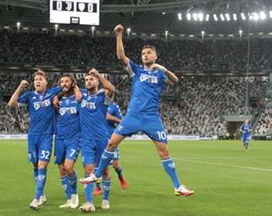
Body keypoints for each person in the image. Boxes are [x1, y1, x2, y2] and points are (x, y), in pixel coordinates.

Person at [80, 24, 194, 198]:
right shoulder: (137, 70)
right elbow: (121, 57)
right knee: (111, 144)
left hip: (151, 118)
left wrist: (163, 69)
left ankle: (178, 186)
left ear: (155, 56)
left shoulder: (160, 74)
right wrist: (119, 36)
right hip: (133, 116)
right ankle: (96, 175)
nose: (145, 55)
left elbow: (176, 80)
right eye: (143, 54)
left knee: (163, 151)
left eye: (148, 53)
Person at [8, 70, 61, 210]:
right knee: (35, 166)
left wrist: (57, 97)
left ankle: (36, 198)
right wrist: (20, 87)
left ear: (46, 82)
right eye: (36, 79)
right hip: (32, 136)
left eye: (40, 79)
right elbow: (12, 103)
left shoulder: (52, 92)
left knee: (42, 165)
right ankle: (42, 194)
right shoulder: (29, 96)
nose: (37, 81)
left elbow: (66, 87)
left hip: (47, 136)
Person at [78, 69, 115, 213]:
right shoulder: (81, 97)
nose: (88, 81)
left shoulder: (103, 96)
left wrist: (98, 74)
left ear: (97, 82)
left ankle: (105, 199)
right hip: (86, 140)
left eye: (91, 79)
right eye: (86, 80)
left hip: (102, 139)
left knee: (105, 171)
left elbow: (112, 89)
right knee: (88, 171)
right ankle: (89, 203)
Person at [54, 74, 82, 209]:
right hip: (60, 138)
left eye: (67, 81)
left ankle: (75, 195)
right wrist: (56, 96)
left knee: (68, 167)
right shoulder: (58, 100)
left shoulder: (77, 97)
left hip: (74, 138)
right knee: (61, 169)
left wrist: (75, 86)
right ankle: (69, 198)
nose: (64, 83)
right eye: (62, 82)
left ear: (72, 83)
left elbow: (79, 98)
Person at [94, 101, 128, 196]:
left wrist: (111, 117)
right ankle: (98, 188)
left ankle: (121, 177)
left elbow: (122, 121)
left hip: (111, 138)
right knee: (98, 164)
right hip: (98, 137)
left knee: (115, 164)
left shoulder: (114, 106)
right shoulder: (96, 103)